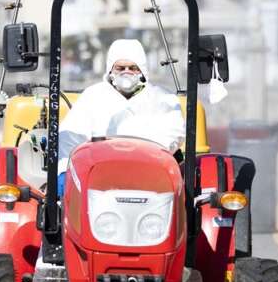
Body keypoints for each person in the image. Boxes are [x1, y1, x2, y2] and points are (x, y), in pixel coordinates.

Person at [56, 38, 185, 193]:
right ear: (111, 69)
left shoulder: (162, 98)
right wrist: (65, 171)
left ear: (142, 69)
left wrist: (142, 158)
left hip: (150, 175)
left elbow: (174, 133)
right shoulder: (93, 96)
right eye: (120, 67)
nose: (126, 72)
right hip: (99, 177)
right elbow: (70, 136)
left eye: (133, 67)